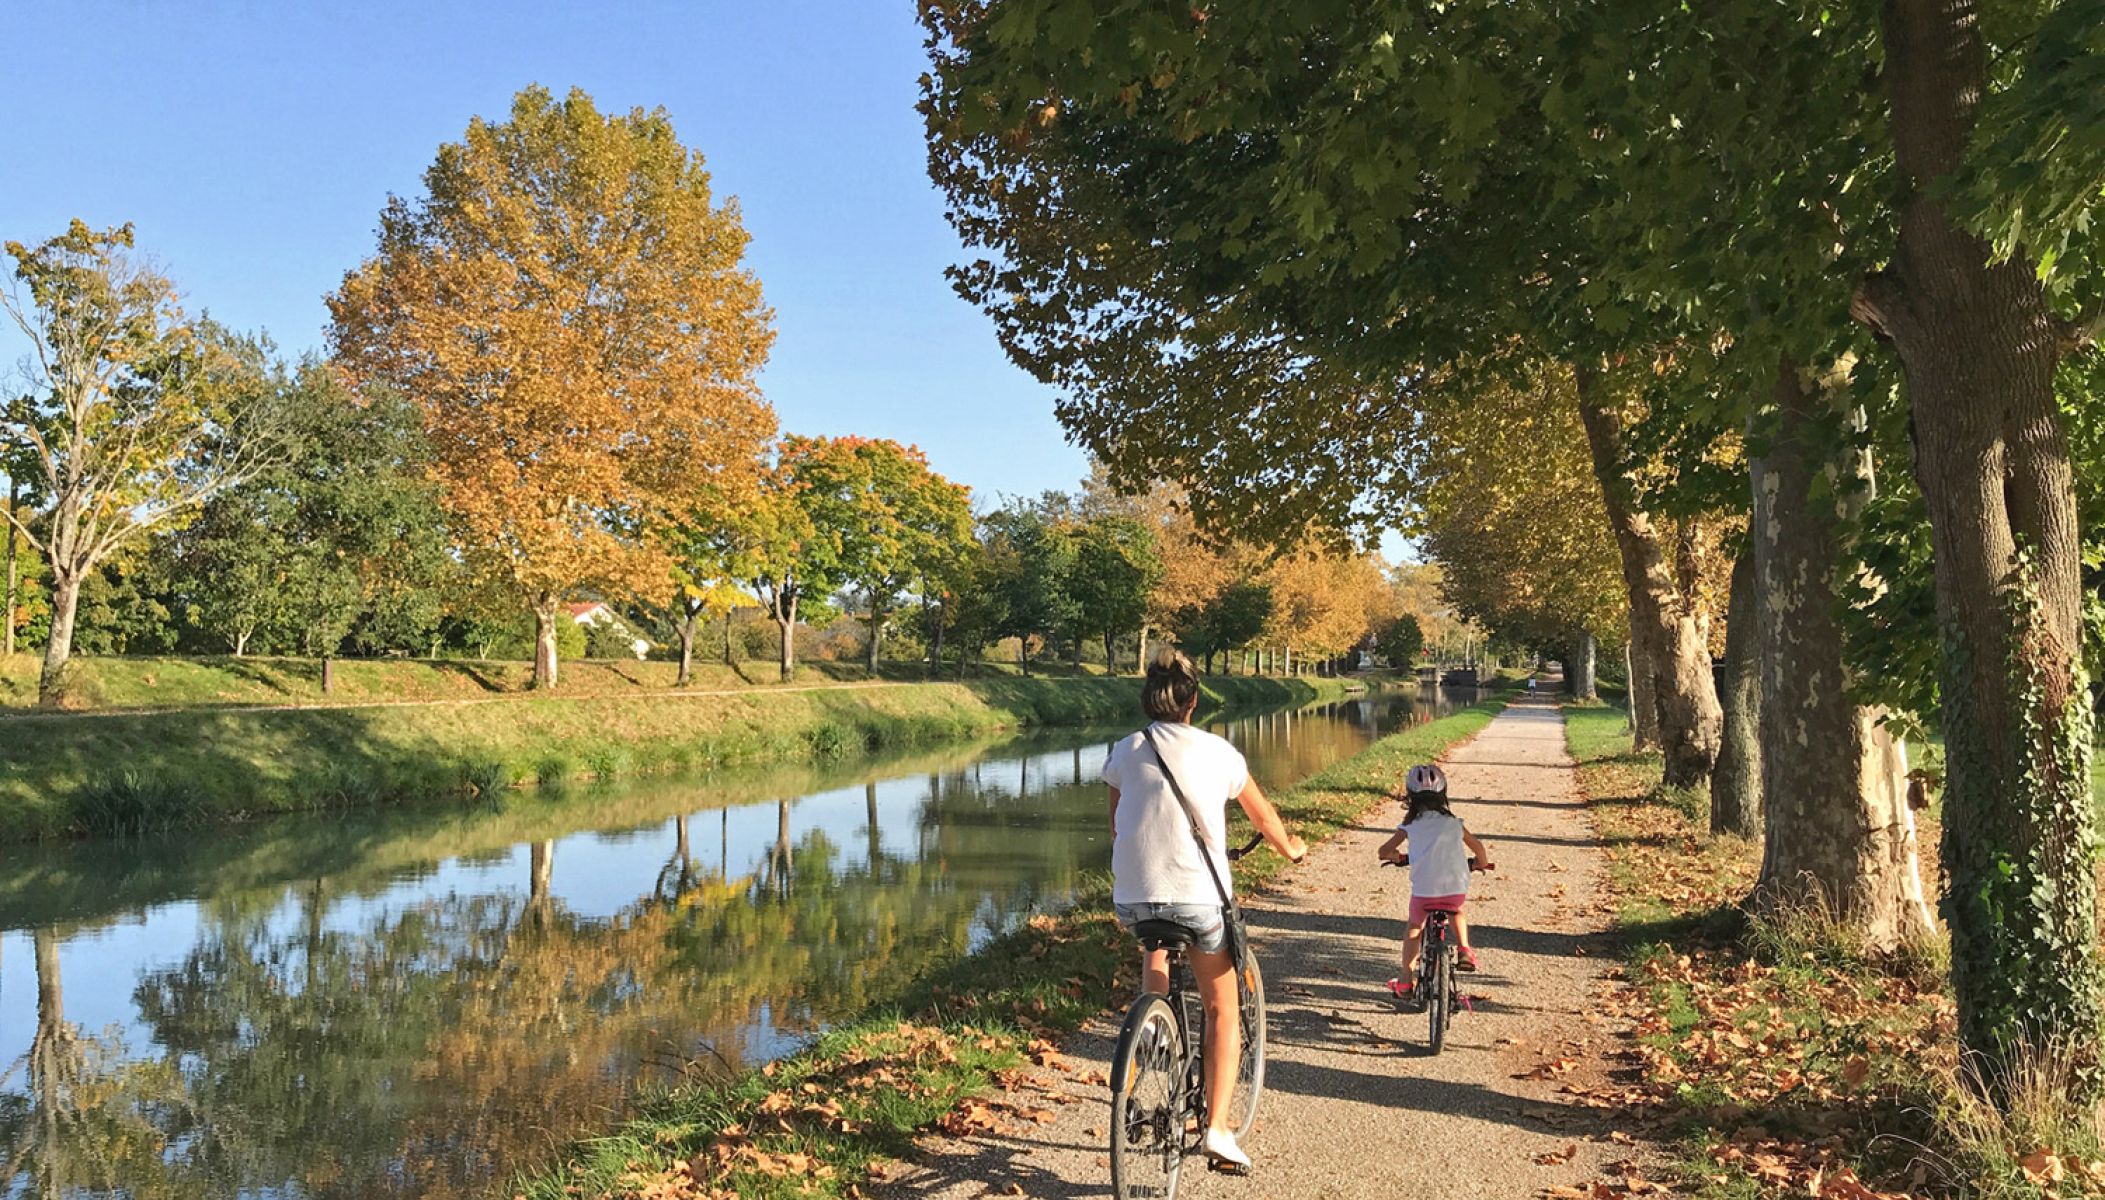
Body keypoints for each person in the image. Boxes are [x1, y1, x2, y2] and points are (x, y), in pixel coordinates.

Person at [1104, 648, 1307, 1171]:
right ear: (1193, 700)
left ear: (1149, 700)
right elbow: (1265, 820)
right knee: (1222, 1008)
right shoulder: (1221, 753)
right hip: (1198, 899)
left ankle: (1150, 1027)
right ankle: (1216, 1131)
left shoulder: (1126, 749)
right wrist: (1293, 849)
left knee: (1157, 945)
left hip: (1133, 898)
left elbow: (1117, 824)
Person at [1376, 763, 1494, 1002]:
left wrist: (1395, 857)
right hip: (1454, 890)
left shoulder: (1410, 826)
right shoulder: (1454, 823)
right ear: (1443, 794)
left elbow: (1383, 851)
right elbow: (1479, 848)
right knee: (1457, 912)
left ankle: (1406, 981)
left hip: (1424, 894)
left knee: (1414, 927)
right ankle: (1464, 950)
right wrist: (1480, 863)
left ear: (1410, 796)